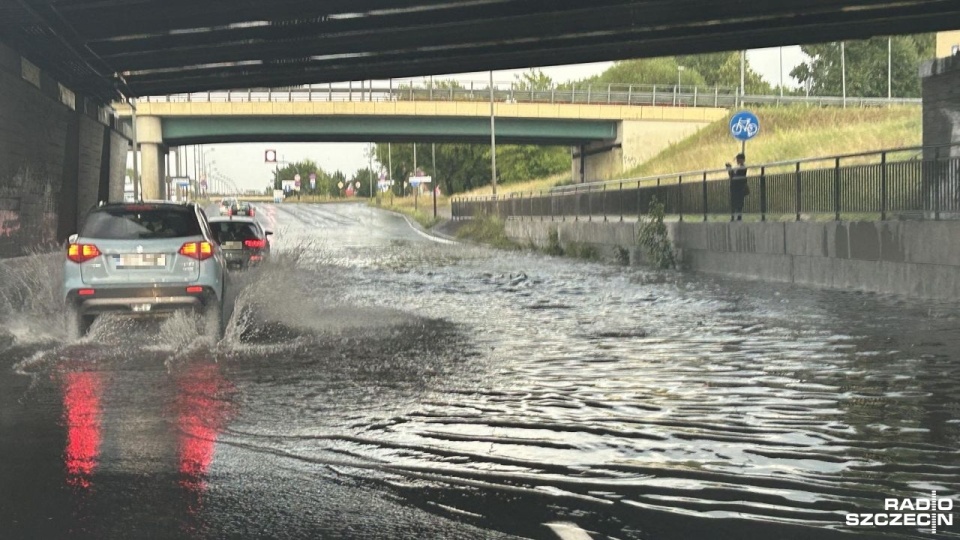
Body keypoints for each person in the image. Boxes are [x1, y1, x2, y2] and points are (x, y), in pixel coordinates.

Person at [725, 153, 749, 221]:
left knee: (739, 202)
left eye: (739, 159)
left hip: (739, 187)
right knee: (734, 201)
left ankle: (738, 216)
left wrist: (730, 170)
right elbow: (732, 176)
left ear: (743, 160)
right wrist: (730, 170)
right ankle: (734, 216)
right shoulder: (737, 167)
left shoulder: (743, 167)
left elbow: (736, 176)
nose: (737, 160)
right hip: (735, 187)